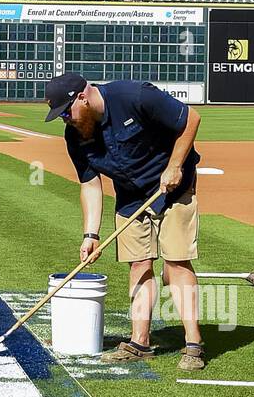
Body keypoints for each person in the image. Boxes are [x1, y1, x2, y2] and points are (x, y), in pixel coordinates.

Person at [44, 73, 205, 371]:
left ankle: (193, 343)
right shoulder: (75, 136)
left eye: (66, 112)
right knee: (138, 263)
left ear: (83, 97)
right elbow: (90, 184)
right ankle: (139, 342)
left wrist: (174, 166)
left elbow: (191, 119)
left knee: (176, 262)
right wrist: (90, 234)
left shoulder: (135, 96)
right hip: (131, 196)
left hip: (173, 187)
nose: (66, 120)